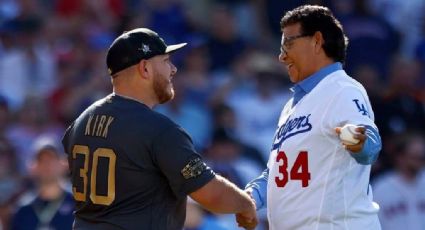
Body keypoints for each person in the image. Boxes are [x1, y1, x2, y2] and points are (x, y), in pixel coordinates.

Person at [61, 28, 257, 230]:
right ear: (145, 68)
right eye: (165, 61)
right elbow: (210, 194)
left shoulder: (81, 121)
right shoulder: (159, 129)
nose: (173, 69)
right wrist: (245, 204)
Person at [238, 5, 382, 229]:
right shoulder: (292, 106)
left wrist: (358, 141)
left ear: (316, 40)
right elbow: (277, 172)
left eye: (288, 44)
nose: (282, 56)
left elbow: (370, 145)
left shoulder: (342, 89)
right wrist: (251, 198)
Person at [10, 137, 74, 230]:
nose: (47, 165)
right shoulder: (23, 209)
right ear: (32, 167)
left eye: (52, 159)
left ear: (64, 163)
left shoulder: (79, 204)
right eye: (41, 160)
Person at [373, 131, 425, 230]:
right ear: (400, 157)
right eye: (414, 157)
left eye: (422, 157)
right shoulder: (381, 188)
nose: (419, 161)